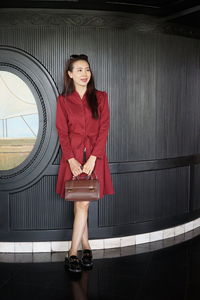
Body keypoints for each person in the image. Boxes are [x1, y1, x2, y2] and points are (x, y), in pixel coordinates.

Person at [56, 54, 115, 272]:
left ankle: (72, 252)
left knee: (82, 203)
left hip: (93, 158)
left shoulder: (101, 97)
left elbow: (104, 129)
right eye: (79, 70)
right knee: (79, 202)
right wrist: (71, 159)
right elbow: (62, 131)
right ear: (70, 74)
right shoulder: (62, 100)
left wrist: (93, 158)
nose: (85, 74)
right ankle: (86, 246)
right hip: (71, 160)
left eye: (87, 69)